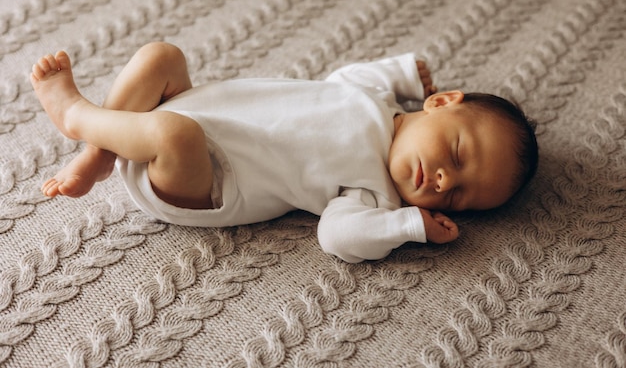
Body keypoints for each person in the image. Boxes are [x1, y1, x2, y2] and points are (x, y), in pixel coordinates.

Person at [30, 42, 538, 263]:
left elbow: (337, 236)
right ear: (440, 103)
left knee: (172, 134)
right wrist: (405, 70)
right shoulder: (372, 99)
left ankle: (78, 116)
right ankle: (100, 151)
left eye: (458, 198)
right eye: (456, 152)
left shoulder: (373, 193)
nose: (445, 181)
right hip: (199, 109)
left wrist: (408, 226)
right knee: (162, 57)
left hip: (199, 178)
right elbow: (365, 73)